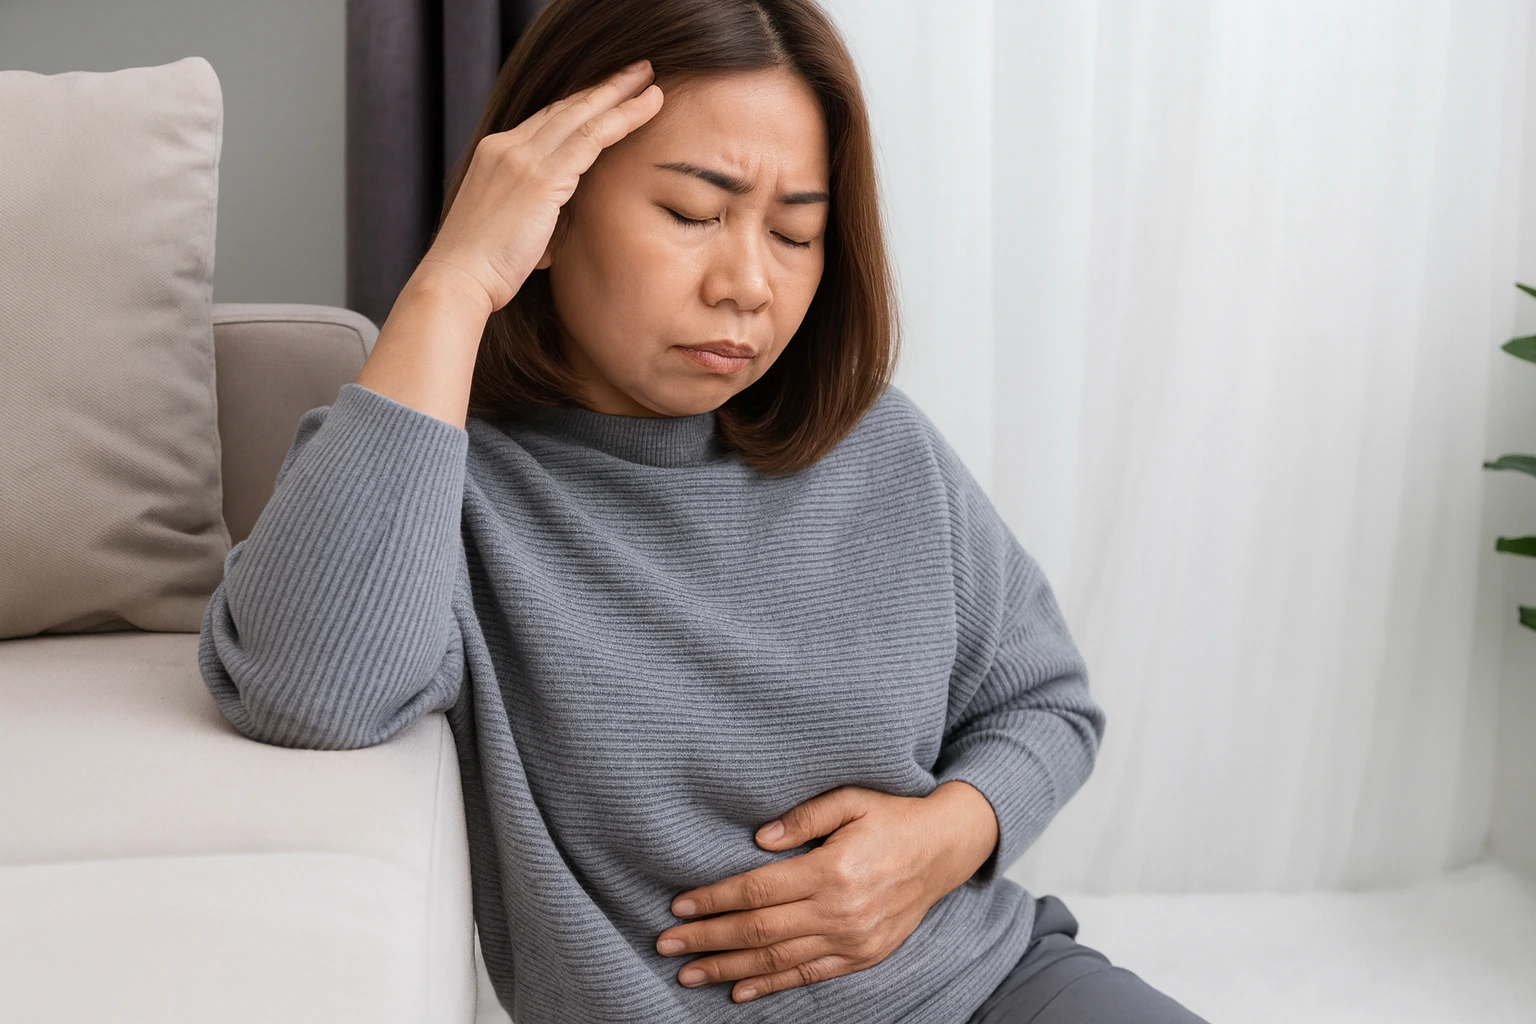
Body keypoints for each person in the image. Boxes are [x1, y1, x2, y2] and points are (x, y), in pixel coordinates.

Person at [198, 0, 1209, 1020]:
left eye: (798, 232)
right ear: (549, 210)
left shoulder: (878, 444)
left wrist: (942, 837)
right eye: (692, 214)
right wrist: (456, 279)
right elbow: (308, 690)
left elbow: (1046, 700)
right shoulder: (439, 483)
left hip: (992, 984)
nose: (749, 284)